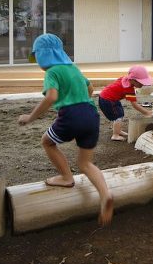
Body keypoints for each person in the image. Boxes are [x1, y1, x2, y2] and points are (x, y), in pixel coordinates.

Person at [17, 33, 113, 226]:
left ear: (44, 55)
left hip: (71, 116)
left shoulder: (52, 72)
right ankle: (106, 195)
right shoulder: (73, 68)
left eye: (37, 58)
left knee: (47, 141)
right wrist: (79, 101)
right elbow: (91, 87)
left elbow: (51, 97)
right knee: (86, 163)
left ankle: (66, 177)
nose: (37, 62)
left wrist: (30, 117)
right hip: (91, 114)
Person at [98, 65, 153, 141]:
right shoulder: (128, 89)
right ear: (133, 80)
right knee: (118, 116)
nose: (143, 85)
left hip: (109, 98)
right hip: (107, 100)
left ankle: (117, 130)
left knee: (120, 113)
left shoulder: (125, 79)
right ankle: (115, 135)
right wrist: (147, 113)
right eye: (141, 83)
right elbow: (135, 105)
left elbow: (116, 88)